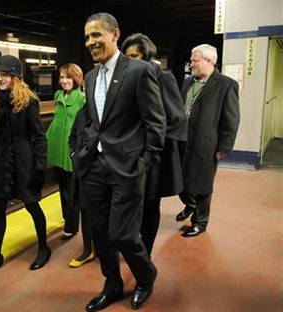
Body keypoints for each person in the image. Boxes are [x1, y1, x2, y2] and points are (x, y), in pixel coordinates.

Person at [74, 13, 166, 311]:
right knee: (101, 235)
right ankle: (112, 284)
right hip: (94, 168)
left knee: (122, 234)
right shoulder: (89, 77)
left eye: (97, 35)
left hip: (127, 168)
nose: (91, 42)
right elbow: (91, 122)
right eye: (87, 37)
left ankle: (146, 276)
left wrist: (145, 163)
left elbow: (156, 122)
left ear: (115, 34)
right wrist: (80, 152)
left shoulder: (138, 71)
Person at [0, 55, 51, 275]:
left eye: (5, 74)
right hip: (2, 160)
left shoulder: (28, 101)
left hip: (23, 161)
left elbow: (39, 136)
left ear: (15, 76)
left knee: (31, 204)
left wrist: (39, 167)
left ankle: (44, 248)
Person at [121, 33, 187, 255]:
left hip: (154, 154)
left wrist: (150, 139)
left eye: (135, 56)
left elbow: (176, 117)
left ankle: (146, 251)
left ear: (148, 56)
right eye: (127, 56)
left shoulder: (163, 77)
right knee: (131, 202)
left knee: (150, 203)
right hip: (129, 151)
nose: (131, 61)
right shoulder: (127, 78)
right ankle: (133, 243)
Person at [176, 44, 240, 237]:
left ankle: (200, 222)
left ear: (209, 61)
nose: (191, 64)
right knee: (180, 182)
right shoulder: (187, 82)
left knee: (202, 184)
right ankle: (190, 204)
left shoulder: (226, 85)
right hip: (182, 141)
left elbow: (232, 119)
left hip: (206, 144)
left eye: (194, 60)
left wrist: (224, 147)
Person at [46, 64, 85, 240]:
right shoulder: (58, 95)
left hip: (71, 150)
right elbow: (56, 120)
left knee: (72, 190)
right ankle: (67, 219)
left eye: (68, 77)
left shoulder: (81, 98)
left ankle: (71, 225)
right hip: (56, 148)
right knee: (62, 188)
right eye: (61, 77)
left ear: (76, 78)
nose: (64, 81)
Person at [68, 105, 95, 268]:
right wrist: (73, 155)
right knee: (84, 210)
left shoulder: (106, 110)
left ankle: (106, 246)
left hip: (100, 169)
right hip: (82, 170)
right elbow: (72, 137)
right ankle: (87, 250)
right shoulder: (81, 113)